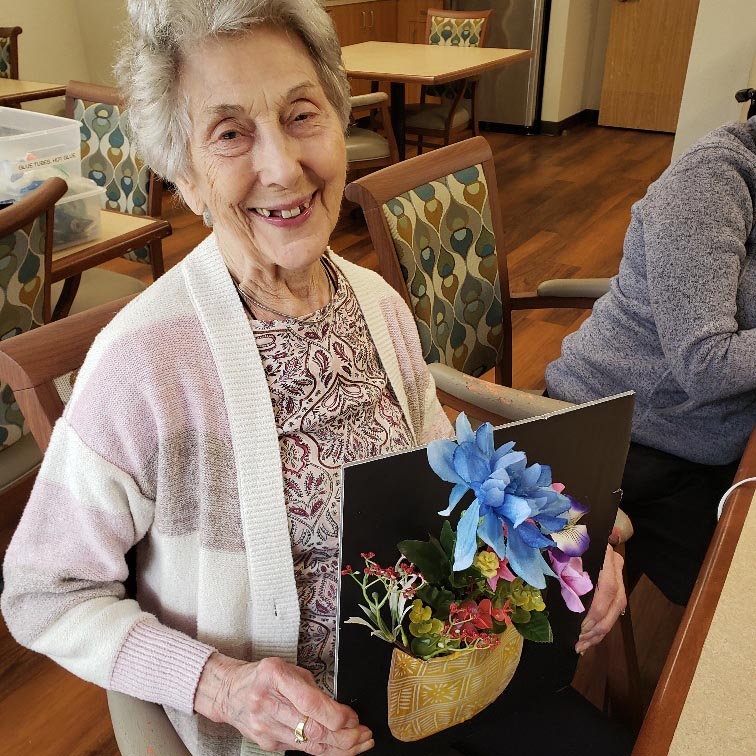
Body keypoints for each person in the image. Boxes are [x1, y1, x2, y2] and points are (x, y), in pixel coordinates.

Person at [1, 2, 625, 754]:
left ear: (338, 120)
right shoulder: (144, 363)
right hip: (289, 737)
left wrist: (566, 549)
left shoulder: (379, 306)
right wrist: (222, 686)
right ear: (188, 178)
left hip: (437, 676)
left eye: (302, 115)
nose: (283, 167)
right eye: (230, 133)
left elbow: (452, 480)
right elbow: (43, 592)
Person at [546, 116, 756, 606]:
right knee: (736, 609)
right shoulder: (708, 184)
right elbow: (709, 364)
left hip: (707, 433)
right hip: (626, 431)